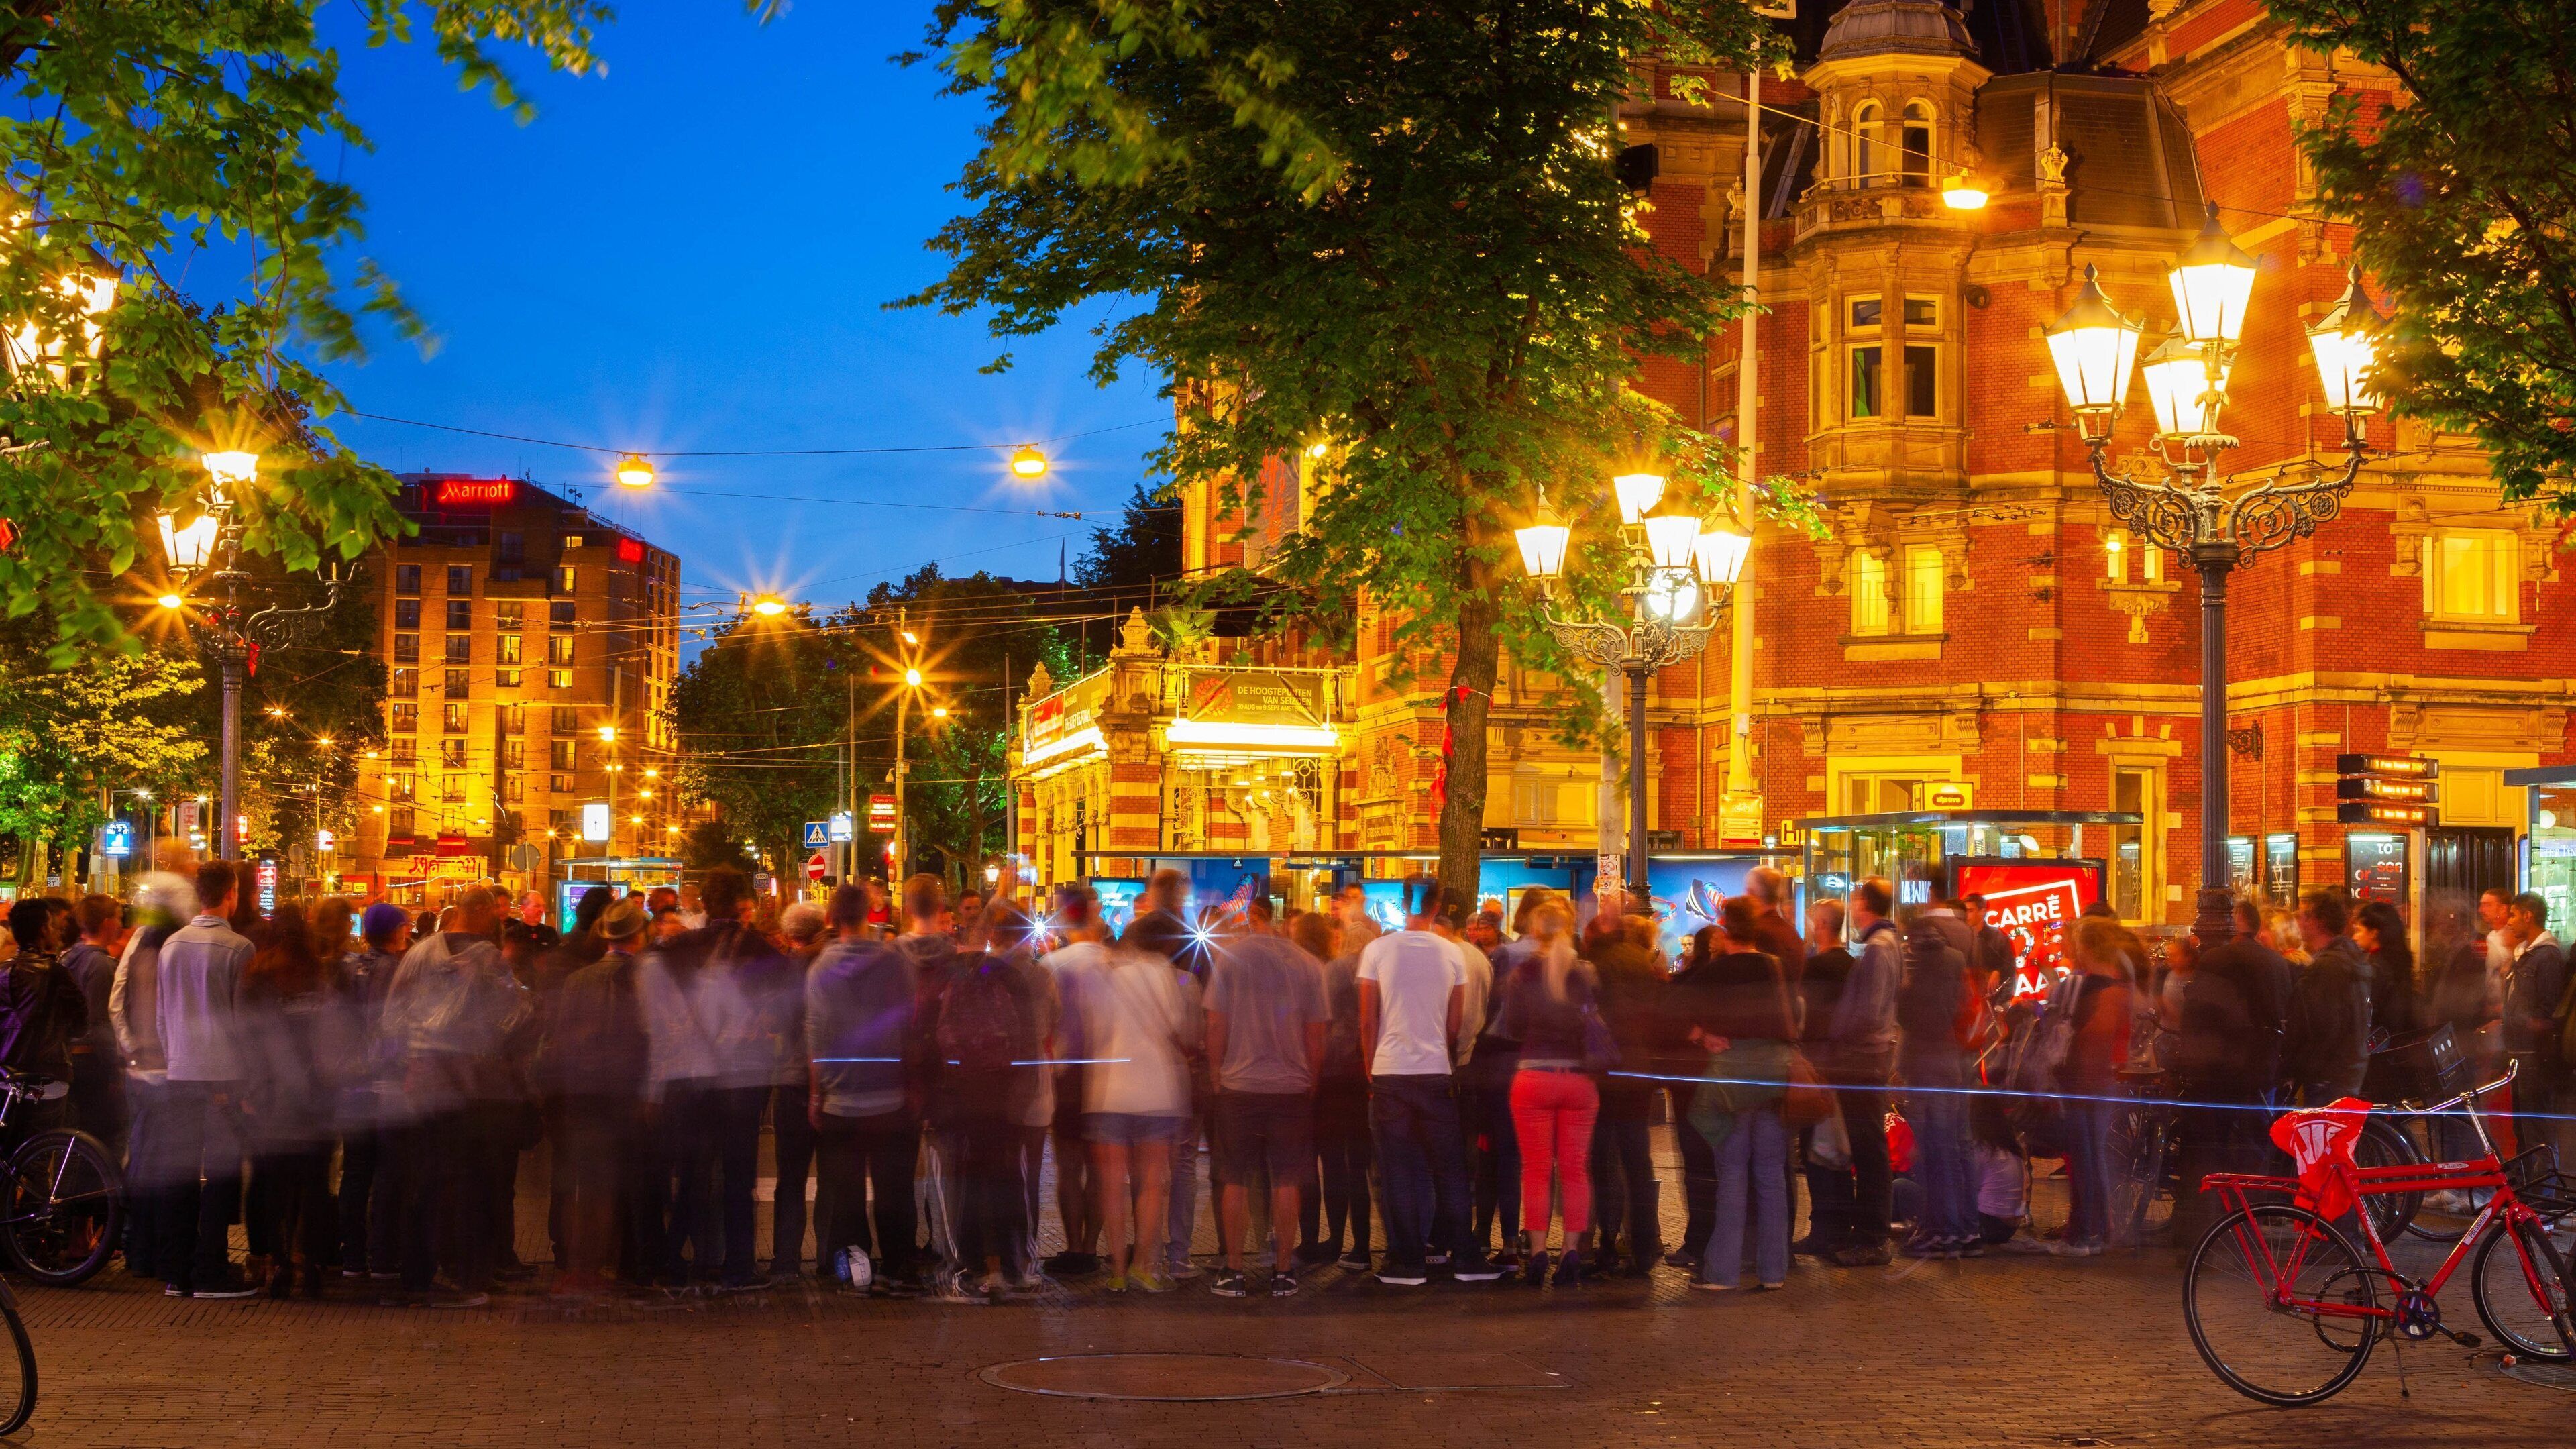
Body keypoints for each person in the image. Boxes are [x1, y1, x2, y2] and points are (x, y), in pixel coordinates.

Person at [637, 867, 795, 1293]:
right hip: (742, 1078)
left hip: (690, 1075)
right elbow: (789, 1004)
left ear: (703, 904)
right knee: (740, 1177)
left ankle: (677, 1261)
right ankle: (739, 1267)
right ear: (741, 903)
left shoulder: (679, 948)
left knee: (690, 1172)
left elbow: (655, 1002)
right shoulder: (760, 951)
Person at [378, 885, 530, 1307]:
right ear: (479, 911)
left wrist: (409, 1061)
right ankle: (452, 1274)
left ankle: (419, 1273)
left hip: (424, 1078)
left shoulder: (422, 953)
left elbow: (394, 1016)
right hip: (467, 1081)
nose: (496, 923)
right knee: (462, 1180)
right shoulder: (485, 959)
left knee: (427, 1177)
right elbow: (513, 1015)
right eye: (493, 916)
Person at [1357, 875, 1499, 1285]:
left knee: (1397, 1169)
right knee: (1450, 1167)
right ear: (1438, 907)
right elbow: (1455, 1023)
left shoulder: (1377, 951)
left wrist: (1371, 1067)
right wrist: (1442, 1052)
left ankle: (1407, 1261)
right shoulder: (1453, 954)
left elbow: (1369, 1018)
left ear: (1404, 904)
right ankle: (1467, 1258)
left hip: (1389, 1071)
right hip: (1435, 1069)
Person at [1202, 900, 1328, 1297]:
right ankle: (1284, 1271)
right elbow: (1316, 1032)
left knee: (1235, 1178)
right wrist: (1311, 1079)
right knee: (1287, 1179)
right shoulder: (1308, 964)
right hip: (1291, 1087)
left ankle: (1234, 1269)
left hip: (1239, 1086)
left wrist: (1216, 1075)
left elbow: (1215, 1023)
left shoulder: (1229, 959)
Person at [804, 884, 922, 1293]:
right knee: (895, 1189)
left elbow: (817, 1037)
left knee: (846, 1193)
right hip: (891, 1098)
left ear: (830, 919)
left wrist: (817, 1096)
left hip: (841, 1100)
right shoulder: (895, 962)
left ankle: (858, 1269)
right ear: (871, 914)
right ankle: (900, 1265)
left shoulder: (820, 970)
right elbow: (911, 1024)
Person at [149, 861, 257, 1299]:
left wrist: (175, 1055)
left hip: (181, 1073)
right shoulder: (238, 949)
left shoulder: (171, 946)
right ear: (231, 894)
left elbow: (161, 1015)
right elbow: (244, 1021)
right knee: (222, 1174)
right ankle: (212, 1268)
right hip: (223, 1075)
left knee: (182, 1173)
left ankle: (178, 1272)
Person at [1075, 916, 1198, 1292]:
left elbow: (1089, 1025)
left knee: (1111, 1185)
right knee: (1150, 1184)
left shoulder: (1105, 973)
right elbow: (1177, 1025)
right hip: (1156, 1090)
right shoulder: (1164, 972)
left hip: (1109, 1090)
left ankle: (1115, 1270)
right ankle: (1144, 1265)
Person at [534, 896, 649, 1298]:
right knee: (609, 1187)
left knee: (580, 1185)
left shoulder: (578, 980)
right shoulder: (644, 978)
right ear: (640, 934)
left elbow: (559, 1038)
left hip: (581, 1094)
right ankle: (600, 1267)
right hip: (624, 1093)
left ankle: (577, 1265)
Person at [1685, 896, 1798, 1291]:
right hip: (1773, 1076)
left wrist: (1704, 1032)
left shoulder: (1716, 973)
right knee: (1770, 1174)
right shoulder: (1774, 966)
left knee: (1732, 1173)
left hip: (1731, 1079)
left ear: (1724, 927)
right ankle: (1774, 1271)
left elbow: (1681, 1013)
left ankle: (1723, 1271)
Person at [241, 901, 347, 1298]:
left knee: (272, 1185)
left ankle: (278, 1262)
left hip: (270, 1100)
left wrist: (250, 1090)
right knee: (315, 1185)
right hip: (317, 1098)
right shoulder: (318, 978)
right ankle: (310, 1263)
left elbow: (247, 1038)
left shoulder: (258, 979)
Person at [1493, 899, 1598, 1285]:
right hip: (1578, 1079)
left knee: (1536, 1169)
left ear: (1535, 930)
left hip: (1533, 1076)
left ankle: (1537, 1250)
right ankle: (1571, 1249)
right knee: (1574, 1168)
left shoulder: (1523, 974)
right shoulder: (1584, 972)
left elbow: (1514, 1026)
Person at [1819, 881, 1901, 1266]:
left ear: (1864, 903)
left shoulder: (1879, 949)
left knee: (1868, 1147)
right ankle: (1867, 1231)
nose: (1851, 907)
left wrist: (1840, 1033)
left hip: (1864, 1058)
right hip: (1870, 1055)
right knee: (1868, 1145)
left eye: (1855, 900)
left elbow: (1869, 1011)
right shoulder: (1883, 946)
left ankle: (1872, 1236)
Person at [1585, 904, 1663, 1275]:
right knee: (1638, 1159)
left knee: (1602, 1161)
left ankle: (1607, 1240)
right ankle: (1645, 1244)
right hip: (1637, 1072)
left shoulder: (1595, 962)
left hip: (1601, 1072)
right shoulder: (1644, 964)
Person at [1896, 893, 1976, 1259]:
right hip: (1954, 1059)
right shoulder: (1957, 958)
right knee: (1955, 1147)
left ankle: (1940, 1229)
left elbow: (1909, 1016)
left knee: (1932, 1150)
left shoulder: (1914, 965)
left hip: (1926, 1062)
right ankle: (1964, 1227)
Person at [335, 903, 410, 1283]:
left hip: (352, 1085)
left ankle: (351, 1257)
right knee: (389, 1174)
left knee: (356, 1172)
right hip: (389, 1084)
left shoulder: (350, 968)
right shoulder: (401, 972)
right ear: (396, 930)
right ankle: (383, 1256)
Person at [2056, 916, 2137, 1257]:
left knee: (2087, 1156)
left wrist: (2067, 1037)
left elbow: (2098, 1032)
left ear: (2087, 947)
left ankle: (2088, 1232)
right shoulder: (2115, 983)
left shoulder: (2103, 987)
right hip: (2099, 1079)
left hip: (2086, 1080)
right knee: (2091, 1155)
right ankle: (2097, 1230)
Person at [1037, 884, 1106, 1278]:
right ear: (1093, 915)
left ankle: (1074, 1246)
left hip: (1066, 1076)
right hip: (1106, 1073)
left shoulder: (1052, 965)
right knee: (1098, 1169)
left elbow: (1045, 1026)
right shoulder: (1111, 962)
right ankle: (1093, 1246)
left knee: (1067, 1166)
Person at [1309, 910, 1374, 1271]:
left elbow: (1320, 1021)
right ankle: (1363, 1246)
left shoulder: (1331, 972)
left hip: (1333, 1075)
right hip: (1365, 1075)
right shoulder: (1376, 974)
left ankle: (1334, 1240)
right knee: (1360, 1166)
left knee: (1333, 1164)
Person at [1792, 901, 1855, 1260]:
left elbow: (1806, 1015)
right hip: (1845, 1064)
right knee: (1839, 1150)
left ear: (1822, 924)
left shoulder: (1815, 967)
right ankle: (1841, 1223)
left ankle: (1823, 1228)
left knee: (1817, 1150)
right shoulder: (1853, 965)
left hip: (1818, 1065)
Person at [2285, 891, 2371, 1105]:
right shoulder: (2350, 959)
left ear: (2319, 922)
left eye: (2305, 915)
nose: (2300, 921)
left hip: (2327, 1076)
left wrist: (2292, 1063)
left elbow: (2319, 1025)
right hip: (2347, 1069)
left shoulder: (2326, 967)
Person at [2500, 891, 2569, 1157]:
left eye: (2514, 915)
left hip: (2534, 1056)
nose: (2509, 922)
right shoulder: (2525, 954)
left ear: (2529, 916)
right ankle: (2529, 1187)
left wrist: (2520, 1021)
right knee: (2523, 1128)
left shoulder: (2546, 957)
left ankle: (2544, 1192)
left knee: (2537, 1128)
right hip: (2520, 1053)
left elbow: (2548, 1010)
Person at [61, 894, 126, 1151]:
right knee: (104, 1138)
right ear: (108, 923)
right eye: (119, 918)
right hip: (93, 1062)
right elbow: (99, 1023)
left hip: (72, 1058)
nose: (121, 925)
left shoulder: (68, 957)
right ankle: (98, 1190)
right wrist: (114, 1071)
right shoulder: (100, 964)